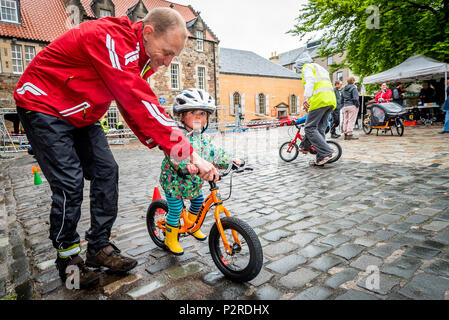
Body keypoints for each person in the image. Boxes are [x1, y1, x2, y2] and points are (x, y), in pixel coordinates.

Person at [14, 8, 219, 288]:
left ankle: (98, 247)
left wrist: (174, 154)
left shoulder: (141, 56)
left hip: (81, 112)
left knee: (107, 170)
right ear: (148, 32)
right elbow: (141, 102)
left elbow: (135, 110)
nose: (168, 61)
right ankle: (69, 260)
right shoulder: (110, 39)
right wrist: (191, 153)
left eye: (175, 56)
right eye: (167, 51)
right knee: (69, 182)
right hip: (43, 105)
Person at [160, 88, 242, 255]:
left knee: (198, 202)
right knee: (175, 210)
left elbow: (215, 152)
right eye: (193, 112)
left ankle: (191, 225)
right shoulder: (176, 134)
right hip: (175, 182)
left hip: (194, 183)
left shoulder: (203, 138)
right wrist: (183, 165)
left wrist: (231, 159)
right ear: (181, 116)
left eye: (203, 114)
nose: (199, 117)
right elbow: (173, 154)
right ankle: (170, 238)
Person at [295, 53, 336, 166]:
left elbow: (310, 81)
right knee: (320, 129)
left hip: (319, 100)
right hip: (331, 100)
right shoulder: (321, 68)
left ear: (300, 64)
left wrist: (306, 98)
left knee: (309, 127)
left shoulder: (307, 67)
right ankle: (321, 157)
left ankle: (327, 152)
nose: (299, 71)